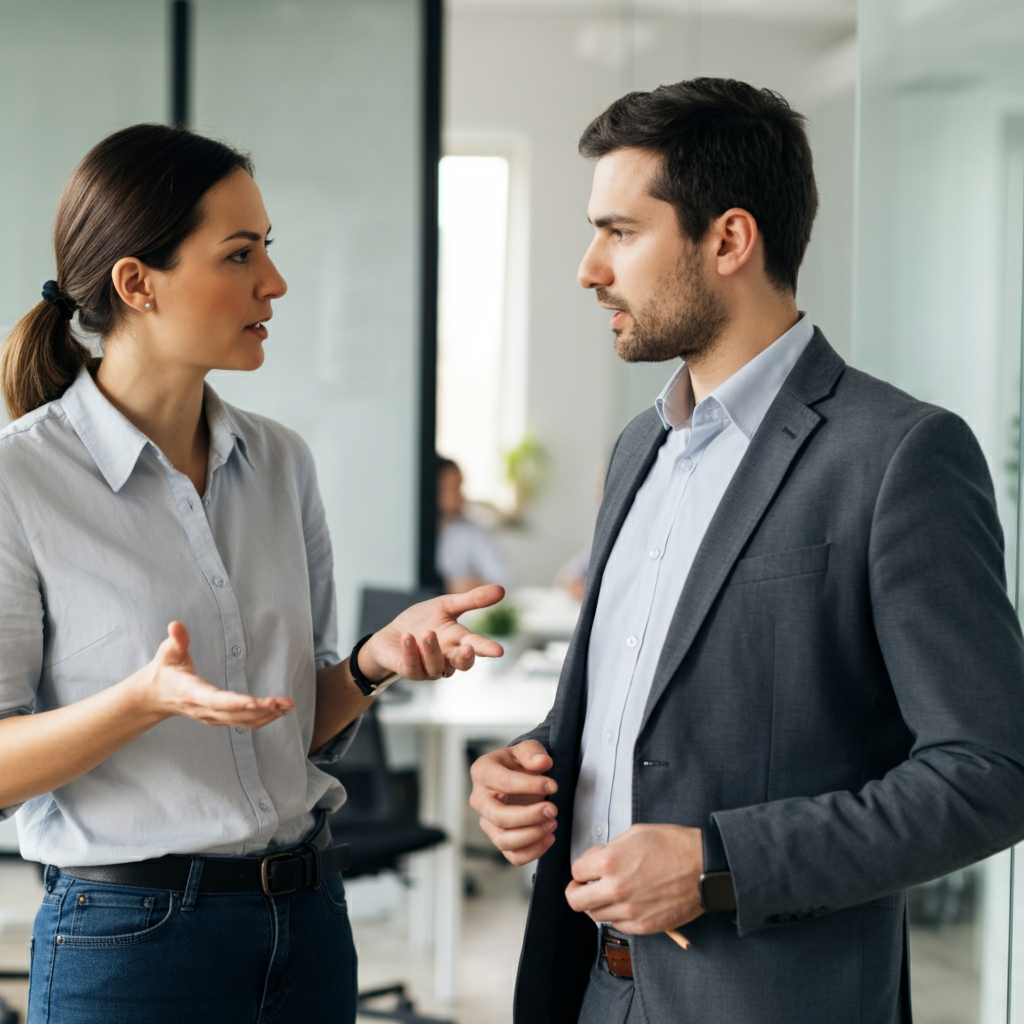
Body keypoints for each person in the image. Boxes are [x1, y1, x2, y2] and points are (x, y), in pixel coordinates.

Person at [468, 78, 1024, 1024]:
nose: (588, 269)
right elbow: (629, 711)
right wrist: (527, 767)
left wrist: (718, 866)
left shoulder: (898, 454)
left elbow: (993, 769)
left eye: (620, 232)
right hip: (587, 985)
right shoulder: (639, 446)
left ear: (728, 239)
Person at [0, 123, 504, 1024]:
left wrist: (371, 665)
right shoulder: (21, 479)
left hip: (307, 919)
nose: (272, 282)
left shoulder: (281, 463)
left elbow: (287, 732)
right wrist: (142, 700)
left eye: (267, 249)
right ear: (136, 282)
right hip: (130, 943)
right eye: (239, 254)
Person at [436, 455, 511, 593]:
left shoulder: (473, 531)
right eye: (453, 489)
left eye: (460, 487)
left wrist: (457, 586)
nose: (462, 496)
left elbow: (503, 579)